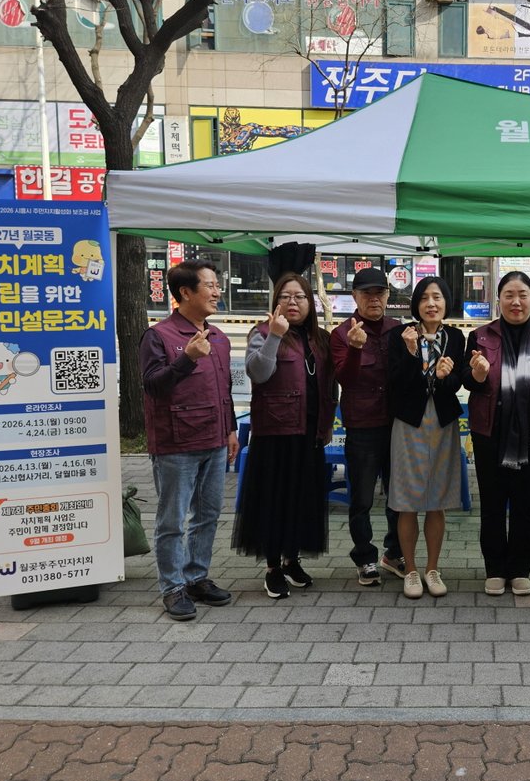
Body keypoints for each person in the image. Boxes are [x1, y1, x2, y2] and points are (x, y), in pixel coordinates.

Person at [463, 271, 530, 597]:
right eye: (509, 295)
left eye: (522, 294)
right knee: (492, 504)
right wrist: (478, 373)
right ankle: (495, 569)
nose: (516, 301)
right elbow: (467, 381)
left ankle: (520, 570)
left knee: (525, 503)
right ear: (498, 299)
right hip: (488, 433)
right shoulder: (480, 336)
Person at [141, 260, 238, 621]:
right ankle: (172, 587)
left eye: (217, 285)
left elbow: (224, 390)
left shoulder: (218, 337)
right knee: (172, 520)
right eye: (210, 285)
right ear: (185, 292)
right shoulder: (159, 336)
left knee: (208, 514)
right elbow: (152, 386)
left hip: (215, 440)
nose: (217, 292)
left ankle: (196, 577)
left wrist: (230, 429)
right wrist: (187, 359)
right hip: (175, 445)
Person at [232, 273, 335, 600]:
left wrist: (327, 425)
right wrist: (276, 336)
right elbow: (258, 372)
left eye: (300, 297)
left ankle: (292, 560)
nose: (293, 302)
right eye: (286, 296)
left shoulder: (320, 338)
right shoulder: (262, 332)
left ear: (310, 303)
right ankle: (273, 567)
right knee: (274, 500)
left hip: (310, 433)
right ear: (276, 301)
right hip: (275, 433)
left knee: (301, 499)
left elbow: (329, 386)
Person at [386, 276, 466, 600]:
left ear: (446, 303)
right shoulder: (401, 335)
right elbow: (395, 383)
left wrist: (446, 377)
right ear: (416, 304)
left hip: (443, 423)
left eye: (437, 297)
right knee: (407, 500)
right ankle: (410, 570)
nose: (431, 304)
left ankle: (432, 569)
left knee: (437, 499)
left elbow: (457, 382)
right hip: (409, 423)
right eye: (424, 298)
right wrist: (410, 354)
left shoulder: (456, 337)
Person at [329, 267, 405, 586]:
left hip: (397, 426)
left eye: (380, 293)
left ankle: (394, 553)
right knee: (361, 498)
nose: (374, 299)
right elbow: (344, 379)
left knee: (398, 496)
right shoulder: (341, 334)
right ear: (354, 297)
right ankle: (365, 557)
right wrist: (355, 349)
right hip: (362, 428)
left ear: (387, 296)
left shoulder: (399, 329)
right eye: (366, 294)